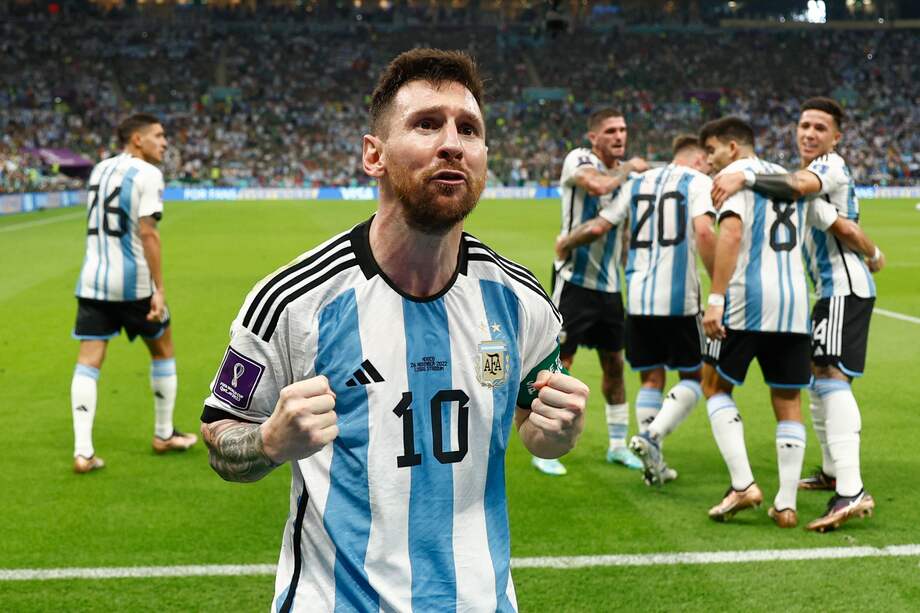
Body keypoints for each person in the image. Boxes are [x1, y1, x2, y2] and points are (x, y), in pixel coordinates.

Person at [200, 49, 589, 612]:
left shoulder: (523, 303)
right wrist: (267, 441)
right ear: (373, 155)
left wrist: (559, 433)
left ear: (483, 156)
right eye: (427, 124)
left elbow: (534, 425)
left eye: (469, 129)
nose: (452, 142)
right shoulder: (292, 303)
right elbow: (221, 436)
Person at [710, 97, 884, 531]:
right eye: (804, 125)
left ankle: (852, 488)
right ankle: (831, 471)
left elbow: (828, 214)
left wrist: (745, 174)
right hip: (824, 293)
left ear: (836, 137)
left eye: (819, 128)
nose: (809, 133)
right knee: (813, 379)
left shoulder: (830, 166)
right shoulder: (804, 171)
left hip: (843, 288)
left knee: (830, 378)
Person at [697, 116, 841, 528]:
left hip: (748, 299)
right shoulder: (789, 176)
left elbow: (731, 235)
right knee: (788, 399)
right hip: (795, 302)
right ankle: (787, 503)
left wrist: (715, 299)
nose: (709, 159)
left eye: (712, 150)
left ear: (733, 148)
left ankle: (743, 484)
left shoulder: (733, 177)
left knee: (714, 385)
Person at [555, 135, 717, 485]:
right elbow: (705, 232)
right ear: (699, 159)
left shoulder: (638, 183)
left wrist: (565, 243)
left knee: (651, 378)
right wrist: (719, 287)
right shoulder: (700, 182)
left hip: (638, 297)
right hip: (679, 299)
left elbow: (600, 226)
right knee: (694, 377)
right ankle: (652, 435)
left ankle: (651, 462)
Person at [70, 113, 197, 474]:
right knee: (163, 346)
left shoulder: (99, 169)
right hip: (133, 283)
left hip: (92, 279)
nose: (165, 142)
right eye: (158, 135)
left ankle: (83, 451)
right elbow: (148, 233)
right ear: (137, 140)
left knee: (88, 359)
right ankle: (163, 433)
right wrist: (159, 289)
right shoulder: (148, 174)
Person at [538, 108, 649, 476]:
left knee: (614, 364)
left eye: (623, 130)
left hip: (609, 288)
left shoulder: (624, 180)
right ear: (594, 137)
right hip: (574, 283)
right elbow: (598, 186)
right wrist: (629, 168)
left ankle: (617, 444)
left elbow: (623, 232)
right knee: (560, 365)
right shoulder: (579, 159)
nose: (619, 136)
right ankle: (545, 445)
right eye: (611, 131)